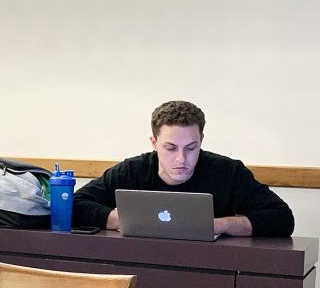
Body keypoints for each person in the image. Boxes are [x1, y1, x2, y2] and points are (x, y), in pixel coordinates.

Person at [73, 100, 294, 237]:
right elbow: (75, 204)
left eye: (191, 147)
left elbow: (282, 218)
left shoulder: (227, 172)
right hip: (140, 263)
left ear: (202, 140)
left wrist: (218, 225)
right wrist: (120, 220)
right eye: (170, 148)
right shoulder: (133, 170)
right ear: (154, 142)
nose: (181, 159)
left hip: (209, 268)